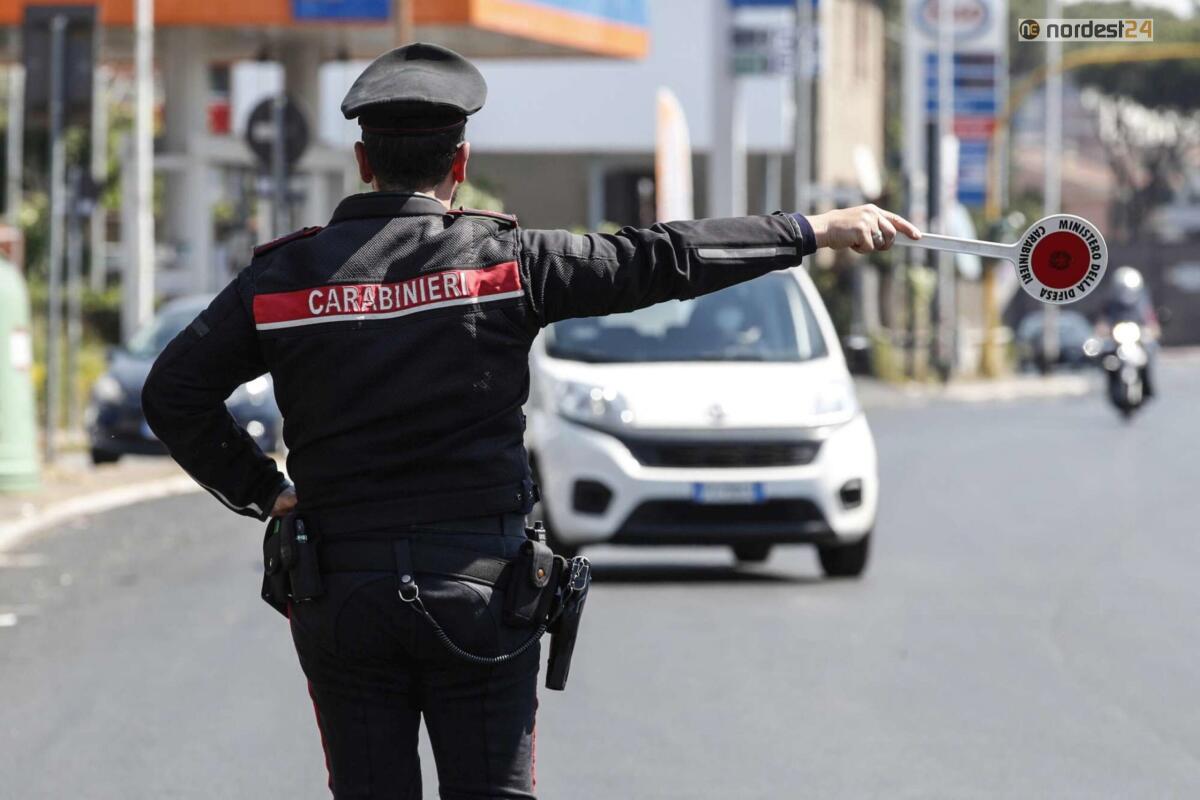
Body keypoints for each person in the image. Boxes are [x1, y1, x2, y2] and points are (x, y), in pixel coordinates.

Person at [142, 42, 920, 800]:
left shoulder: (283, 278)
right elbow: (662, 258)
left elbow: (172, 393)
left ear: (362, 161)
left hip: (341, 591)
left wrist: (262, 489)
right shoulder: (511, 264)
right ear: (460, 163)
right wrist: (811, 230)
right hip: (482, 591)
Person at [1096, 265, 1159, 397]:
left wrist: (1152, 329)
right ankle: (1111, 386)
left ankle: (1147, 386)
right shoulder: (1111, 302)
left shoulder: (1142, 301)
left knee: (1150, 350)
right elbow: (1103, 320)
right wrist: (1103, 330)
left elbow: (1150, 319)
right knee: (1106, 355)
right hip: (1117, 338)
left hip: (1137, 337)